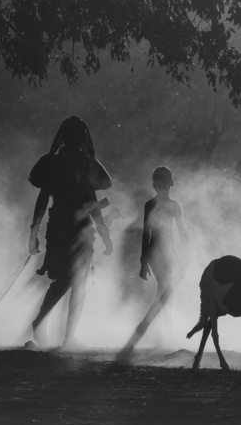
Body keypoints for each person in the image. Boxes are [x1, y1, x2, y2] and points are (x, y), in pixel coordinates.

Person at [27, 116, 113, 349]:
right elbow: (43, 198)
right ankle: (42, 324)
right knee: (64, 281)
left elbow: (91, 201)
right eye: (73, 135)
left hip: (79, 231)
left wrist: (104, 233)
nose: (75, 139)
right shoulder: (54, 164)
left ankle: (67, 336)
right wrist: (33, 232)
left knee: (76, 284)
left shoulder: (81, 164)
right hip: (60, 230)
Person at [118, 166, 189, 360]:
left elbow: (152, 234)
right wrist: (144, 260)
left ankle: (158, 336)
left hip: (164, 254)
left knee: (165, 294)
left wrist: (144, 260)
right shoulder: (166, 205)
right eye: (162, 184)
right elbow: (148, 233)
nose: (163, 187)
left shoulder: (160, 205)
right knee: (165, 293)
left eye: (162, 183)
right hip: (161, 254)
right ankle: (146, 335)